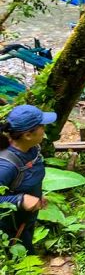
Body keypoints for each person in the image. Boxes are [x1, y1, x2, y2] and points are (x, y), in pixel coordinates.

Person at [0, 105, 54, 250]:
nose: (45, 129)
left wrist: (36, 196)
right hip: (8, 230)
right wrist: (20, 200)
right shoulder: (6, 166)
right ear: (28, 135)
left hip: (25, 220)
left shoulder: (31, 149)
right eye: (41, 126)